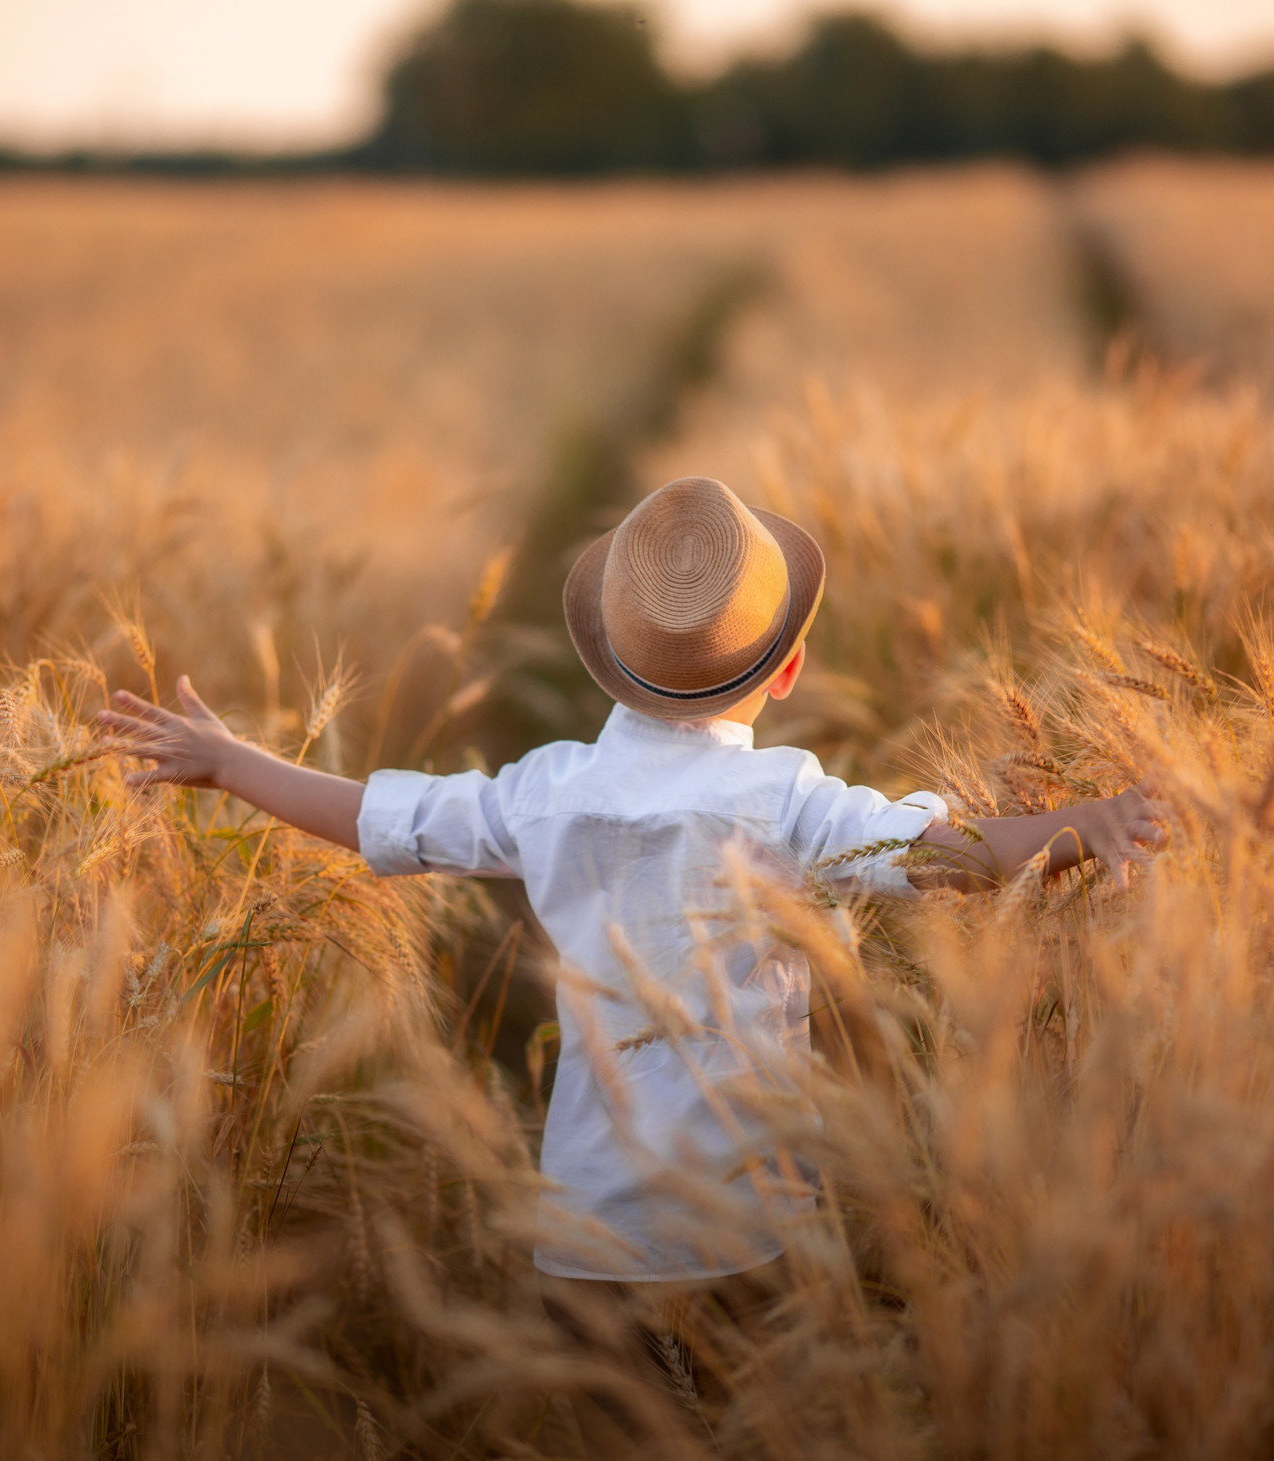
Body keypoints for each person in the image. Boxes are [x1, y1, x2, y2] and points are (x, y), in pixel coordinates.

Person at [97, 476, 1166, 1418]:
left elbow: (387, 817)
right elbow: (947, 855)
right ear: (788, 670)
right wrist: (1086, 825)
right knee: (764, 1423)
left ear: (611, 662)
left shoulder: (550, 789)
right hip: (747, 1221)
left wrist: (228, 760)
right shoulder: (780, 800)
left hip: (589, 1227)